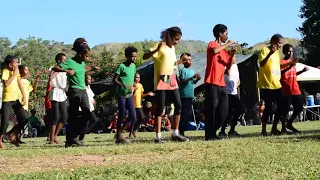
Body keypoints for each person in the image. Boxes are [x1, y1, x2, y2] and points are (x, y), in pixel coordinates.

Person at [142, 26, 189, 143]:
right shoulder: (160, 45)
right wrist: (155, 49)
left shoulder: (172, 48)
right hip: (161, 79)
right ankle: (158, 137)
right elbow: (144, 56)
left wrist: (180, 61)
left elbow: (172, 64)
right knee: (160, 108)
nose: (177, 42)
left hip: (172, 78)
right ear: (170, 36)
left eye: (179, 40)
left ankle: (176, 133)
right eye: (176, 39)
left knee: (178, 105)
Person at [52, 38, 94, 148]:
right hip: (74, 91)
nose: (87, 58)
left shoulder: (82, 62)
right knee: (73, 116)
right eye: (86, 56)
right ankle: (70, 140)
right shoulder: (70, 62)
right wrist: (67, 71)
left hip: (83, 90)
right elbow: (55, 68)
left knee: (87, 114)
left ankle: (74, 137)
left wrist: (92, 68)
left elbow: (82, 71)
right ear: (80, 54)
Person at [258, 34, 298, 136]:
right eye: (279, 43)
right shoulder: (265, 50)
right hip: (267, 84)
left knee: (282, 107)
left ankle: (274, 128)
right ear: (273, 41)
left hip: (277, 84)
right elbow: (261, 64)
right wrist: (270, 53)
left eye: (281, 43)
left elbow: (278, 65)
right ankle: (263, 130)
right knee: (268, 108)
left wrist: (290, 63)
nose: (280, 45)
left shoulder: (276, 53)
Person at [204, 24, 237, 141]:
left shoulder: (224, 51)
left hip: (221, 83)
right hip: (211, 82)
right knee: (211, 109)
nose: (227, 36)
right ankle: (209, 135)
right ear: (220, 34)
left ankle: (213, 131)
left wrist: (232, 53)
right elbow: (213, 51)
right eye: (226, 34)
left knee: (224, 110)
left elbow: (228, 68)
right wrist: (227, 45)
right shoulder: (212, 44)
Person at [0, 55, 28, 148]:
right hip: (7, 100)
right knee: (5, 122)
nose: (17, 64)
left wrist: (24, 96)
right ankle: (0, 139)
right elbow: (6, 84)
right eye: (15, 62)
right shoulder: (5, 71)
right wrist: (14, 74)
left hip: (16, 100)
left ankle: (11, 135)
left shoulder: (15, 73)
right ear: (10, 64)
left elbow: (20, 84)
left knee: (24, 119)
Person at [280, 44, 308, 133]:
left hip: (295, 89)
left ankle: (290, 123)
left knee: (299, 107)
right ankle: (283, 128)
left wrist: (302, 71)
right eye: (288, 51)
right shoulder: (281, 62)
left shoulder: (292, 63)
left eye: (292, 51)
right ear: (284, 52)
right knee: (285, 110)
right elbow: (280, 73)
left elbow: (293, 74)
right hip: (286, 90)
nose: (290, 53)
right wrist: (290, 65)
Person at [113, 46, 138, 144]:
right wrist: (124, 85)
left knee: (133, 116)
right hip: (121, 94)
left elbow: (131, 78)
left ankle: (119, 132)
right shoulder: (121, 66)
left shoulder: (134, 66)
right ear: (127, 56)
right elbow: (114, 80)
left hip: (129, 94)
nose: (134, 58)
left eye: (135, 56)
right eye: (132, 56)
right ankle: (118, 137)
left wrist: (133, 84)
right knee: (122, 115)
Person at [178, 53, 201, 136]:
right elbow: (182, 82)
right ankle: (181, 131)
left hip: (190, 96)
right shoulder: (182, 70)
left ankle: (182, 130)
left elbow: (192, 83)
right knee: (184, 114)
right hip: (183, 96)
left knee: (188, 114)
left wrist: (197, 79)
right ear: (183, 61)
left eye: (191, 59)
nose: (190, 61)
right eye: (188, 59)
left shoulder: (191, 71)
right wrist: (192, 77)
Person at [219, 56, 242, 137]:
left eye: (236, 57)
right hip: (227, 92)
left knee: (239, 110)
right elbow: (226, 73)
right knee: (227, 112)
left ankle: (232, 130)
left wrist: (237, 84)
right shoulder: (225, 65)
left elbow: (238, 80)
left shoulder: (236, 66)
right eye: (234, 57)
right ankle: (222, 131)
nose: (235, 59)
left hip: (234, 92)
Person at [48, 53, 68, 144]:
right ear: (59, 60)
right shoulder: (53, 68)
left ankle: (55, 136)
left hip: (62, 93)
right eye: (63, 60)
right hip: (55, 92)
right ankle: (51, 139)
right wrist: (58, 69)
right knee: (56, 116)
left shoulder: (65, 70)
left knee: (64, 117)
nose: (65, 61)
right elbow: (51, 78)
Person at [130, 72, 155, 138]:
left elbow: (141, 95)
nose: (138, 79)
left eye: (139, 77)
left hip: (138, 104)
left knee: (142, 118)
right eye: (136, 77)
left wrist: (147, 94)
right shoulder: (131, 84)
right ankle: (129, 133)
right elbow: (130, 93)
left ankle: (134, 130)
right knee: (133, 118)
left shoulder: (140, 85)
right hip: (132, 104)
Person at [79, 73, 99, 142]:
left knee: (90, 121)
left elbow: (91, 96)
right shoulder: (83, 88)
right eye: (88, 79)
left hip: (90, 107)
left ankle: (81, 135)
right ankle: (81, 135)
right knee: (90, 120)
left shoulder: (89, 87)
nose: (90, 81)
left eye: (90, 79)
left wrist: (93, 100)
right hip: (86, 107)